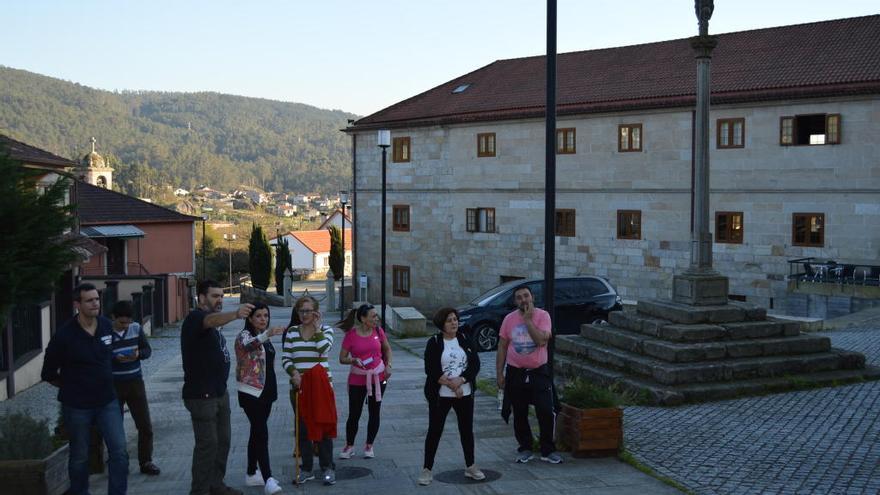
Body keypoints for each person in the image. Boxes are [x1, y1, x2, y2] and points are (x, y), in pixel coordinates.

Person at [41, 283, 129, 495]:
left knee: (119, 452)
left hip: (107, 401)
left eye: (97, 299)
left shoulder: (107, 326)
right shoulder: (64, 336)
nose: (95, 303)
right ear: (77, 304)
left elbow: (109, 357)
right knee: (80, 456)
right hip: (77, 406)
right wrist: (72, 385)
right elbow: (48, 373)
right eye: (89, 300)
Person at [182, 279, 254, 495]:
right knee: (207, 445)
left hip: (219, 393)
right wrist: (235, 314)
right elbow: (210, 320)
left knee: (223, 442)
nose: (220, 300)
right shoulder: (195, 318)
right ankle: (200, 490)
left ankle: (215, 484)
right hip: (201, 396)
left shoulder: (211, 324)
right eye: (215, 296)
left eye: (222, 296)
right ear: (201, 298)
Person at [496, 285, 563, 464]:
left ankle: (547, 449)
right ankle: (525, 447)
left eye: (526, 296)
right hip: (515, 372)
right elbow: (502, 346)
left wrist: (527, 321)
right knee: (519, 412)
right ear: (515, 301)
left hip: (538, 373)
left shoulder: (543, 316)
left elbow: (541, 341)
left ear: (532, 297)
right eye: (519, 297)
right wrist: (499, 374)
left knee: (546, 410)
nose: (523, 300)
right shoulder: (509, 319)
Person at [418, 307, 485, 486]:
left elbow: (475, 364)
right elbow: (430, 369)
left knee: (466, 431)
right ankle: (427, 469)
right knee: (435, 430)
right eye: (449, 320)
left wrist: (462, 380)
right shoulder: (434, 342)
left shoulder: (464, 339)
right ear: (442, 324)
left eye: (455, 319)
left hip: (465, 393)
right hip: (441, 394)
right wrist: (452, 385)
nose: (454, 323)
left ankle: (470, 466)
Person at [281, 295, 337, 486]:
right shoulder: (292, 332)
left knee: (324, 428)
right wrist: (293, 373)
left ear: (316, 312)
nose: (304, 315)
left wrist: (317, 328)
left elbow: (324, 349)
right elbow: (286, 358)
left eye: (308, 311)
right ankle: (306, 469)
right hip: (299, 386)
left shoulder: (326, 330)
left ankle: (327, 467)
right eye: (301, 311)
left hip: (321, 387)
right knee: (303, 430)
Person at [234, 302, 285, 494]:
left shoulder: (266, 338)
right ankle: (268, 478)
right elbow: (248, 347)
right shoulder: (244, 336)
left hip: (267, 391)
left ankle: (251, 472)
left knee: (257, 432)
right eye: (259, 316)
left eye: (265, 316)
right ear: (249, 318)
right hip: (250, 392)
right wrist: (267, 334)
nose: (263, 319)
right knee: (262, 433)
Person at [110, 300, 161, 476]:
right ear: (113, 318)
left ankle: (146, 461)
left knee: (145, 425)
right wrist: (114, 358)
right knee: (114, 427)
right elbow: (99, 356)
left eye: (127, 322)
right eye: (121, 322)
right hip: (114, 384)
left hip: (135, 382)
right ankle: (117, 463)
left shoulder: (136, 328)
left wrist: (138, 354)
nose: (125, 326)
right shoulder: (105, 333)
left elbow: (147, 350)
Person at [337, 304, 393, 460]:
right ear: (363, 318)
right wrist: (353, 360)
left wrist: (388, 365)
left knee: (375, 411)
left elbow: (387, 349)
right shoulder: (351, 335)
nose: (376, 319)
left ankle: (369, 445)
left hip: (379, 377)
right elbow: (342, 358)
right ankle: (349, 445)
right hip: (357, 379)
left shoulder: (378, 331)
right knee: (354, 413)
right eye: (373, 316)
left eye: (376, 316)